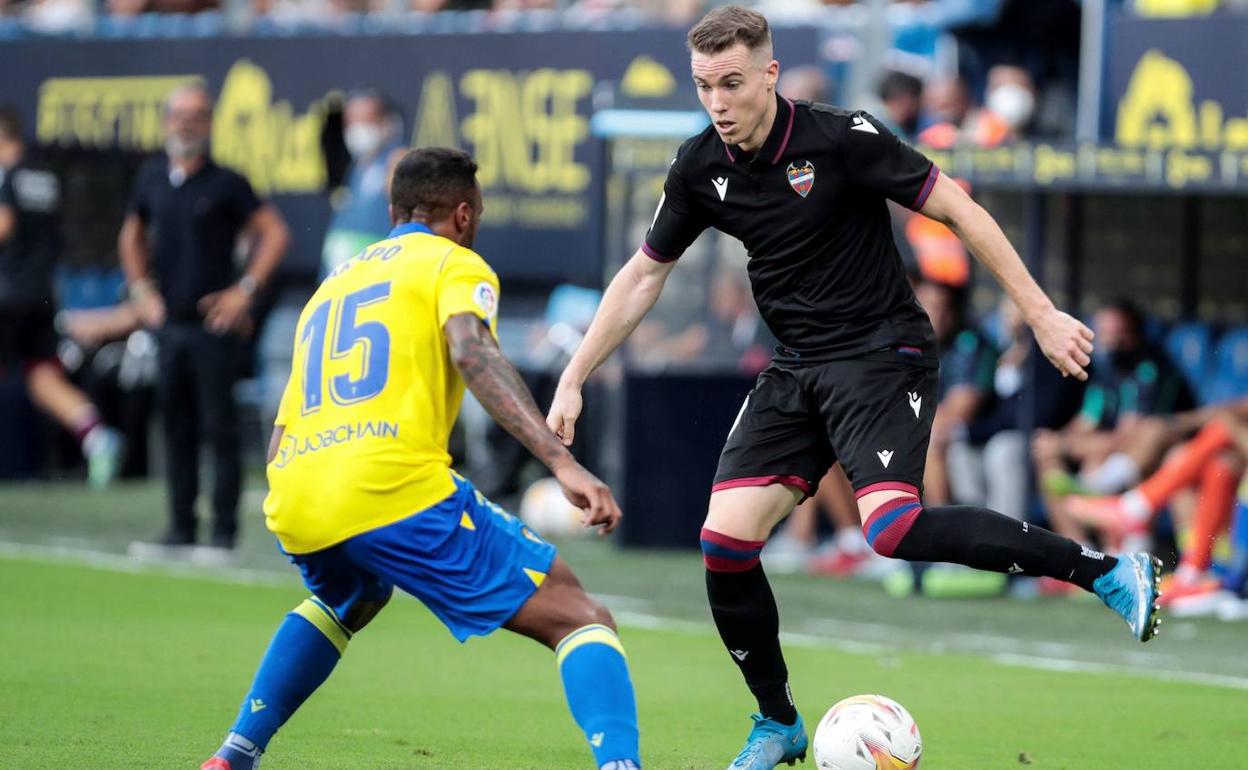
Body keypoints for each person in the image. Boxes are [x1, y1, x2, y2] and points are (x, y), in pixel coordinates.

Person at [545, 8, 1162, 768]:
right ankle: (778, 721)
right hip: (797, 363)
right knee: (724, 544)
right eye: (705, 86)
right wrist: (575, 375)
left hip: (882, 352)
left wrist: (1038, 312)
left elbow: (960, 207)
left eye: (733, 83)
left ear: (769, 75)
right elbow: (644, 274)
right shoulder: (700, 166)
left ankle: (1102, 572)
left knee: (892, 529)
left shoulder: (842, 137)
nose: (719, 101)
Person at [200, 147, 641, 770]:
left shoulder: (334, 285)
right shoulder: (453, 263)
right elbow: (473, 353)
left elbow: (281, 429)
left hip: (297, 491)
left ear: (393, 210)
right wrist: (562, 462)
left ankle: (234, 753)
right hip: (390, 487)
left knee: (350, 597)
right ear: (462, 214)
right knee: (579, 615)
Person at [118, 83, 291, 550]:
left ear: (210, 123)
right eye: (179, 114)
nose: (186, 123)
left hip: (213, 324)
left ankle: (222, 531)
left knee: (220, 429)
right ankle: (179, 525)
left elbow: (274, 233)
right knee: (176, 426)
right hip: (169, 323)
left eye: (195, 115)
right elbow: (131, 234)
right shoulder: (153, 177)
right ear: (166, 119)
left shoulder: (227, 183)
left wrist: (245, 290)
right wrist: (140, 290)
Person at [0, 105, 124, 487]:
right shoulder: (45, 177)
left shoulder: (9, 177)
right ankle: (96, 436)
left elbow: (4, 226)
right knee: (41, 376)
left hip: (6, 294)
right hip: (41, 294)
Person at [320, 89, 408, 276]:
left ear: (386, 123)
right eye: (350, 122)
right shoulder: (357, 165)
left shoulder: (397, 159)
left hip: (375, 273)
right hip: (340, 275)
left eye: (365, 120)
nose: (357, 129)